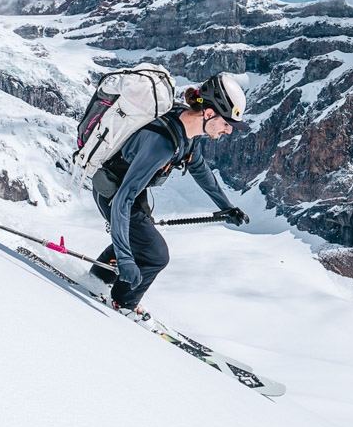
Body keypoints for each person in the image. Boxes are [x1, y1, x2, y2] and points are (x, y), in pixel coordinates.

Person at [88, 72, 251, 315]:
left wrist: (226, 206)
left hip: (126, 192)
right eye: (227, 123)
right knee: (155, 255)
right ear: (208, 114)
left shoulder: (186, 132)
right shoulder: (162, 144)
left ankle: (97, 280)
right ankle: (122, 304)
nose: (229, 130)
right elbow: (123, 199)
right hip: (113, 193)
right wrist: (124, 260)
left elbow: (200, 170)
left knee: (142, 242)